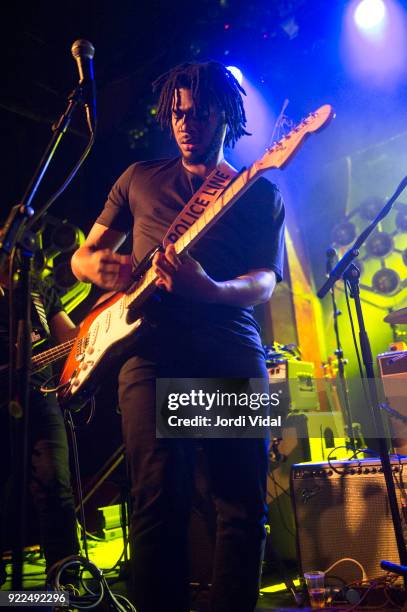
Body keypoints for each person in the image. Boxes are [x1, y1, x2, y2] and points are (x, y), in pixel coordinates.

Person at [71, 61, 285, 612]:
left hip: (230, 350)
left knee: (240, 508)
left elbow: (264, 282)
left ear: (228, 114)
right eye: (177, 113)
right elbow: (83, 254)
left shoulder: (255, 191)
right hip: (151, 354)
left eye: (198, 112)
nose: (185, 123)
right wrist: (101, 269)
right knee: (158, 501)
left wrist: (209, 288)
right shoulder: (138, 177)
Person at [0, 263, 79, 585]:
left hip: (40, 395)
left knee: (55, 484)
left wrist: (109, 321)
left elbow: (70, 337)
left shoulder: (35, 287)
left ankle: (67, 581)